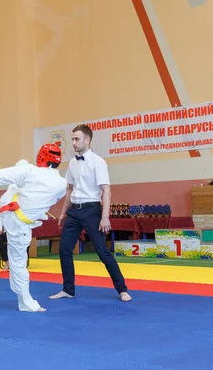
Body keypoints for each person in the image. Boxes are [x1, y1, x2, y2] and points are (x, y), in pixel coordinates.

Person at [0, 147, 68, 312]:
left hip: (15, 215)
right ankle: (25, 300)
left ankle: (24, 300)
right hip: (18, 217)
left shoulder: (29, 172)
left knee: (18, 261)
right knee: (18, 262)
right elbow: (48, 199)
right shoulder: (62, 184)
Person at [49, 124, 132, 302]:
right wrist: (63, 213)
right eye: (72, 139)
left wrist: (105, 217)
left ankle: (122, 289)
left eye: (76, 139)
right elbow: (70, 190)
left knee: (103, 252)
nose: (73, 142)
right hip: (74, 212)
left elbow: (106, 191)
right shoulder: (72, 163)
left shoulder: (98, 162)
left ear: (87, 140)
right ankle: (68, 289)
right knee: (64, 249)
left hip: (92, 211)